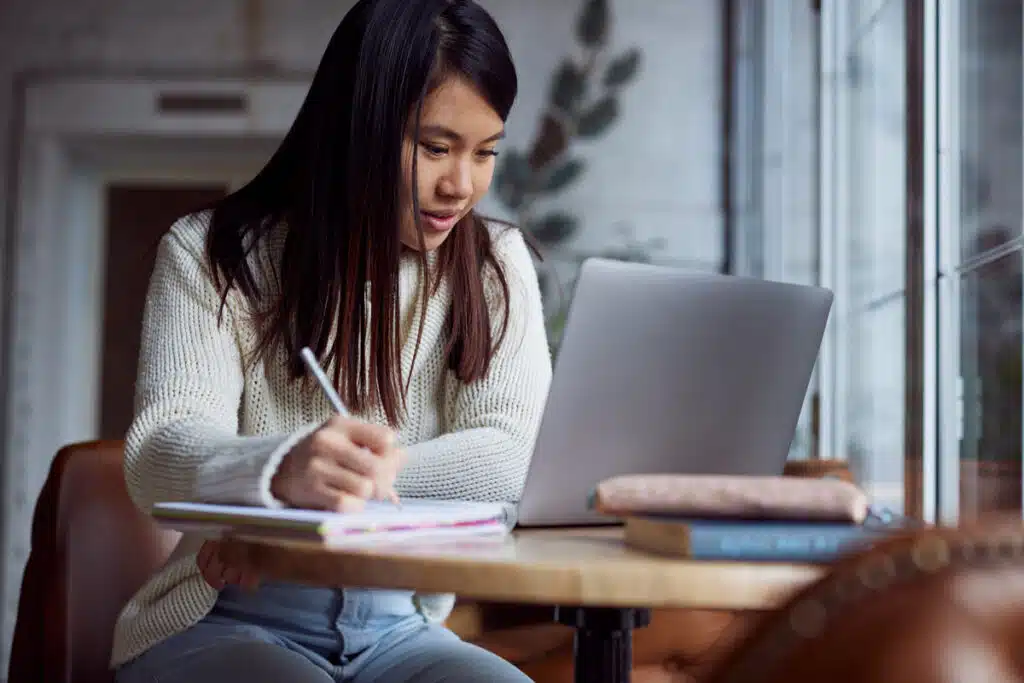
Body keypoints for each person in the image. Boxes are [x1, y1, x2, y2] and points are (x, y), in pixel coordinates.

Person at [110, 0, 552, 681]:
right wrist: (281, 465)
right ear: (359, 128)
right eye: (435, 147)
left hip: (402, 627)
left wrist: (312, 497)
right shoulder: (211, 253)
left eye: (485, 152)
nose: (460, 184)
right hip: (226, 613)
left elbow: (517, 459)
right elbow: (159, 450)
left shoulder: (496, 263)